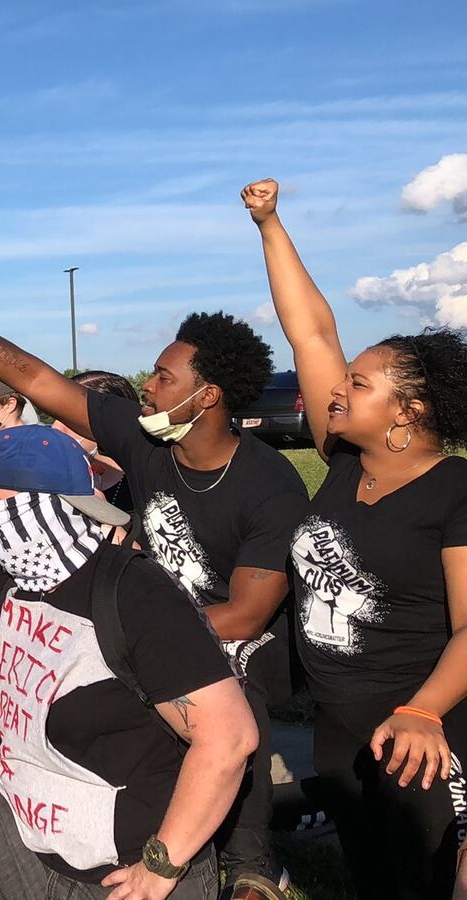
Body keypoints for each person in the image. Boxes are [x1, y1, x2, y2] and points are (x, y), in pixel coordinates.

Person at [0, 272, 306, 894]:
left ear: (207, 398)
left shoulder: (270, 484)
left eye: (164, 378)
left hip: (224, 636)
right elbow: (39, 381)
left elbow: (249, 613)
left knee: (234, 695)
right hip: (134, 612)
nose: (147, 386)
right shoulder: (143, 438)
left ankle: (249, 862)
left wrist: (133, 634)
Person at [0, 424, 258, 900]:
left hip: (123, 859)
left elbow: (229, 738)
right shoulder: (9, 590)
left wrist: (160, 864)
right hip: (19, 826)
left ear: (46, 502)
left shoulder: (134, 591)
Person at [245, 177, 467, 900]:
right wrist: (270, 224)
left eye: (361, 384)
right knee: (371, 876)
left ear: (413, 408)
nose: (339, 388)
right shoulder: (344, 466)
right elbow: (311, 333)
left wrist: (425, 712)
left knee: (432, 880)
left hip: (423, 730)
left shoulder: (455, 492)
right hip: (339, 729)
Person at [55, 370, 142, 515]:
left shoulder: (148, 482)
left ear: (111, 420)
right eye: (55, 416)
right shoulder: (51, 477)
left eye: (69, 419)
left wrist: (104, 517)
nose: (56, 427)